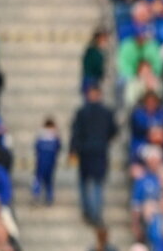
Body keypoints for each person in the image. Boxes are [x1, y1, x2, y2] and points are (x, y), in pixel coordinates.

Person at [70, 84, 118, 226]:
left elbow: (76, 132)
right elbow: (113, 131)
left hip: (88, 151)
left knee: (87, 182)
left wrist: (73, 149)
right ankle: (94, 212)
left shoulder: (83, 112)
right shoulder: (105, 112)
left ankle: (90, 211)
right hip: (97, 151)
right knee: (95, 183)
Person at [31, 117, 60, 205]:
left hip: (46, 163)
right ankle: (41, 195)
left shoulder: (49, 138)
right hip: (45, 163)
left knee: (46, 181)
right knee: (42, 180)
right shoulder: (50, 138)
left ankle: (46, 197)